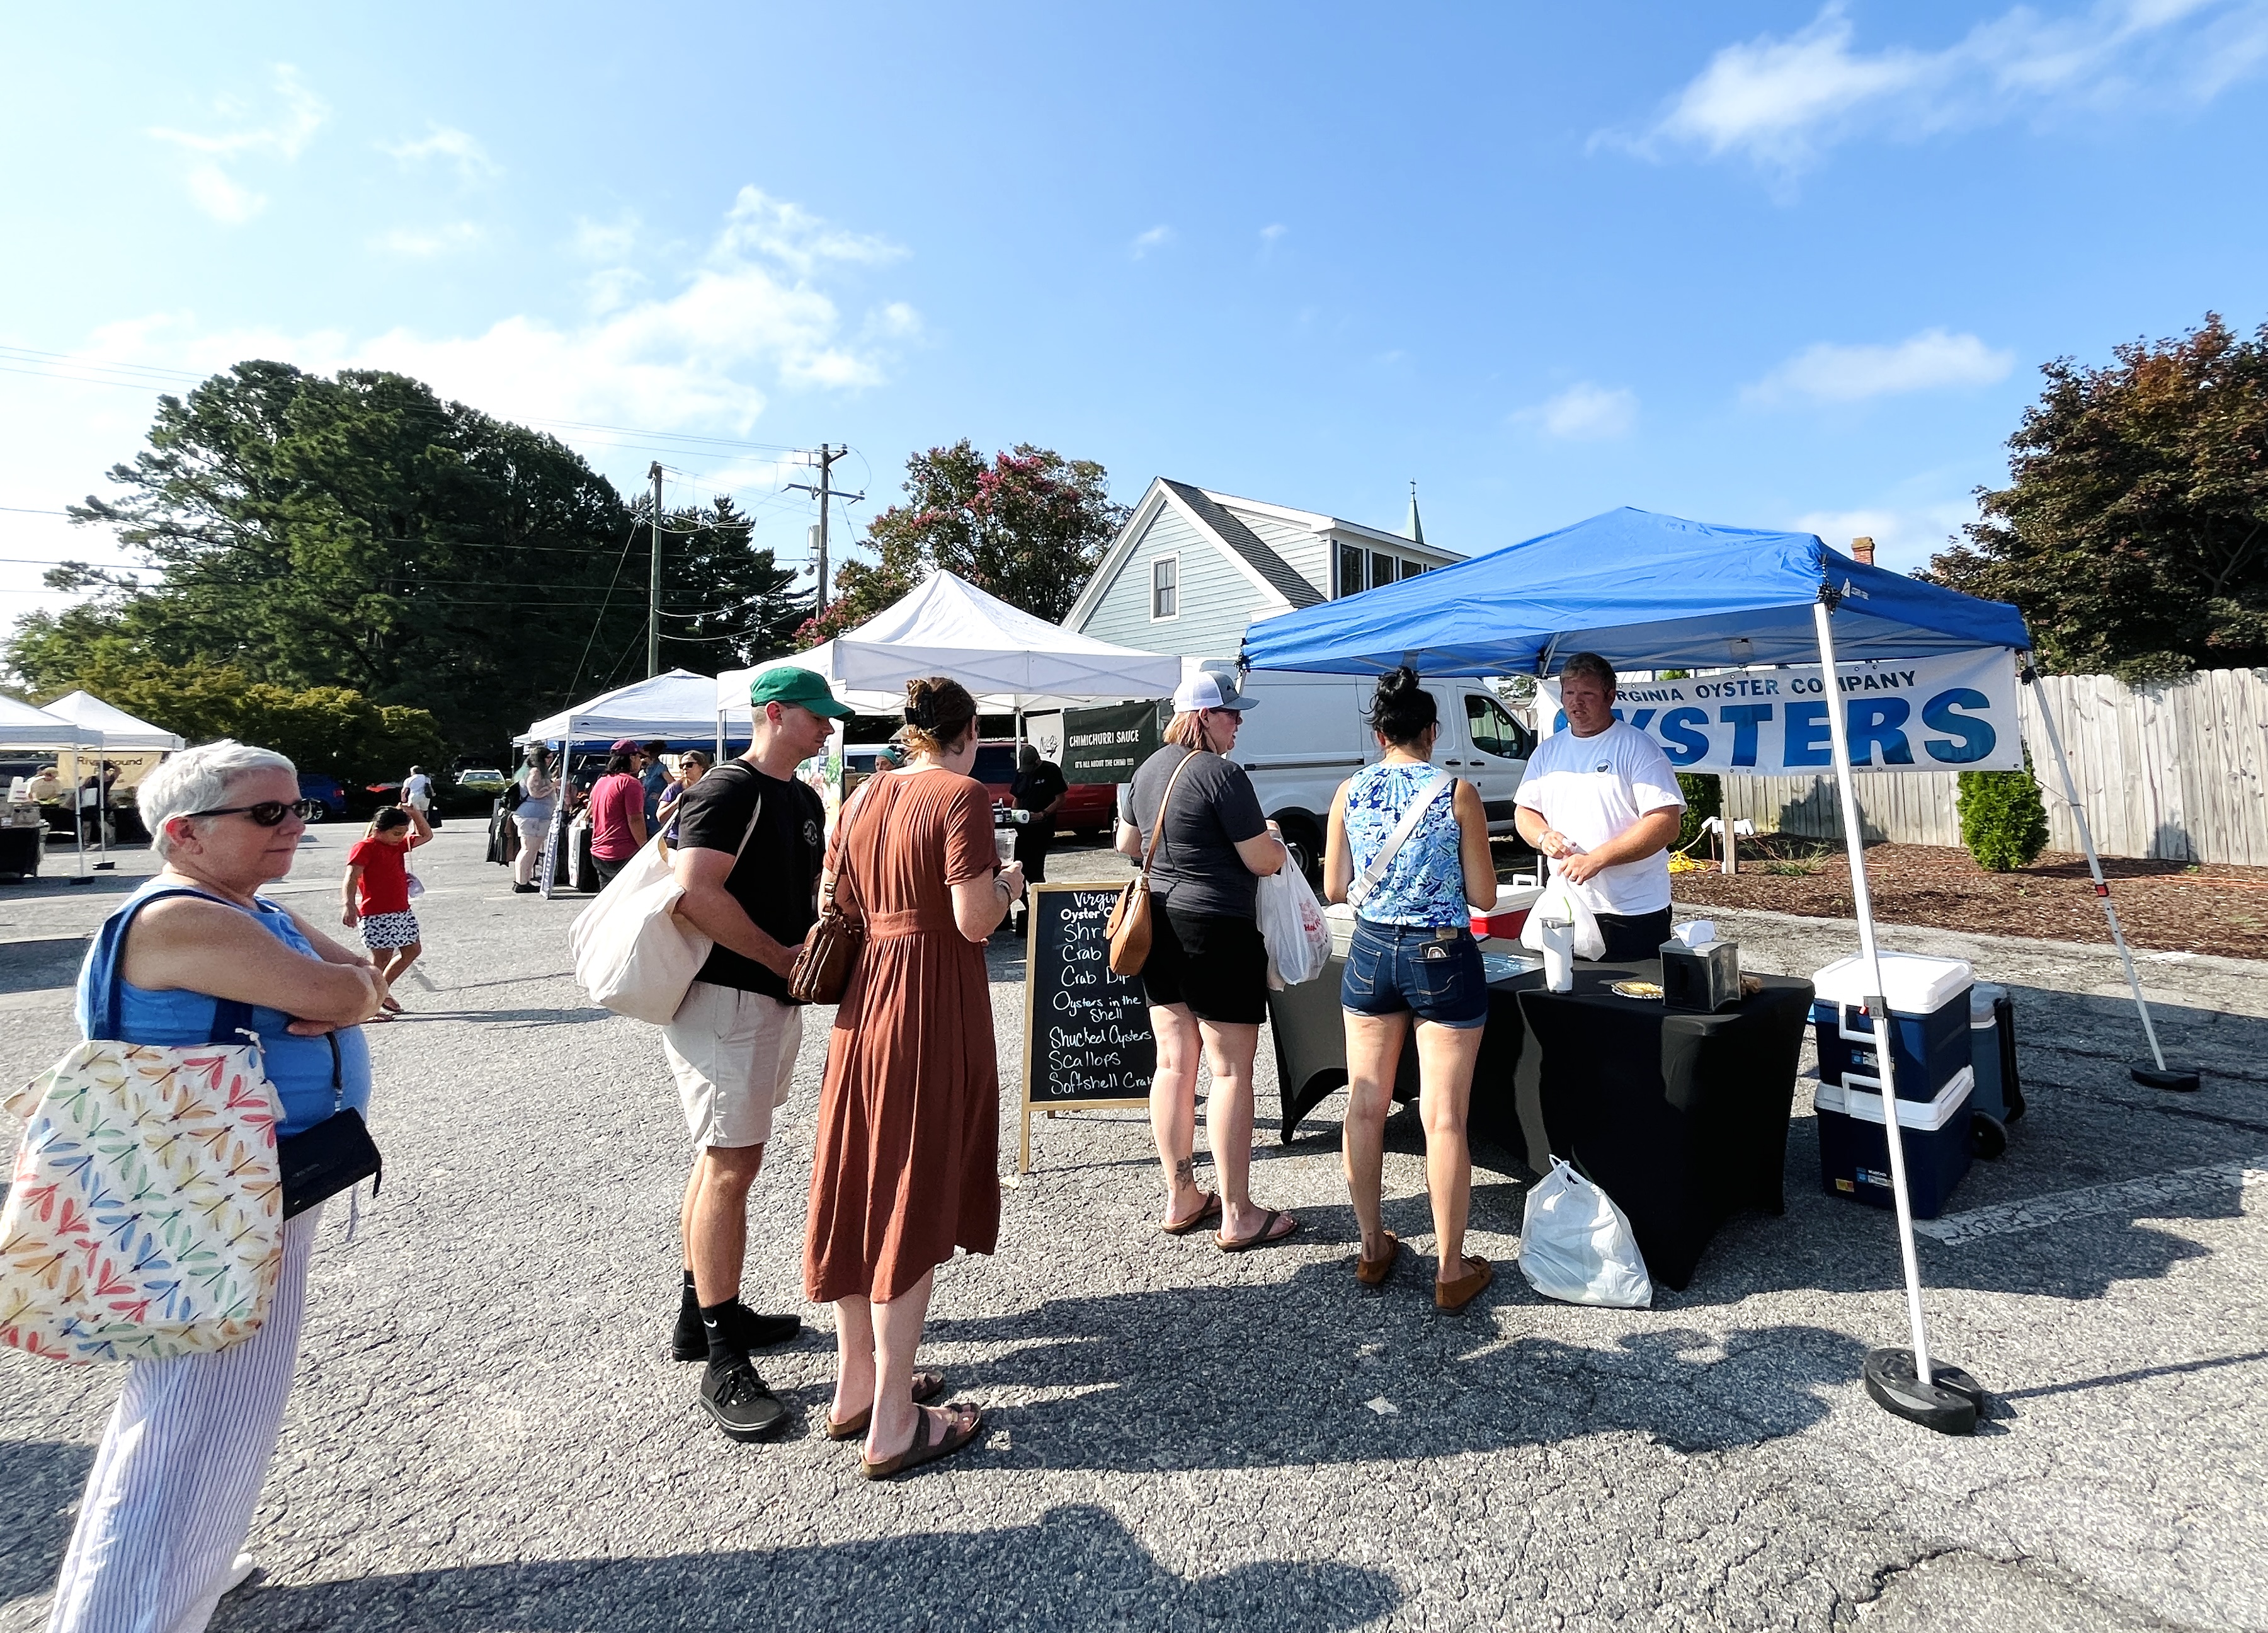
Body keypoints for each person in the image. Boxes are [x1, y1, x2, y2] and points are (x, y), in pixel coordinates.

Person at [42, 740, 387, 1633]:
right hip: (210, 1193)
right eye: (268, 814)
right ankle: (125, 1612)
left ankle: (184, 1567)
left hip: (249, 1182)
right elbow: (346, 989)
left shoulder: (242, 907)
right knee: (192, 1414)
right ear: (184, 833)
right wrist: (335, 995)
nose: (296, 826)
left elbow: (364, 980)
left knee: (217, 1402)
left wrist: (342, 990)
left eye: (298, 807)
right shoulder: (180, 919)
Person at [806, 675, 1022, 1479]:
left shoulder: (860, 798)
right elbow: (973, 918)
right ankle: (894, 1420)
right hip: (930, 998)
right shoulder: (961, 796)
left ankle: (857, 1384)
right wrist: (1010, 884)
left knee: (862, 1179)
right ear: (966, 732)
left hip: (864, 1004)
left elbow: (841, 904)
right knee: (912, 1187)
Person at [665, 668, 852, 1441]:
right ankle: (721, 1352)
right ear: (775, 714)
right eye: (818, 719)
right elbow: (694, 891)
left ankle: (701, 1311)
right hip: (727, 997)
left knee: (724, 1160)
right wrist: (780, 958)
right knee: (731, 1163)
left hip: (768, 1000)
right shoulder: (727, 790)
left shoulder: (801, 797)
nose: (828, 732)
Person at [1324, 667, 1500, 1312]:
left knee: (1365, 1106)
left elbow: (1335, 888)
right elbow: (1483, 896)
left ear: (1379, 734)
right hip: (1442, 954)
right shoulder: (1457, 792)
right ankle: (1451, 1270)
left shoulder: (1350, 790)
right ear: (1432, 731)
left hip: (1372, 950)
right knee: (1444, 1117)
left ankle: (1372, 1247)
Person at [1116, 670, 1296, 1251]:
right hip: (1216, 927)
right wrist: (1271, 837)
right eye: (1230, 713)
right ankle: (1238, 1212)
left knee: (1172, 1065)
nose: (1239, 721)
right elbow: (1263, 861)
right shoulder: (1222, 775)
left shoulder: (1145, 771)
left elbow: (1127, 845)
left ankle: (1181, 1194)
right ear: (1202, 717)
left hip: (1158, 926)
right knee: (1228, 1070)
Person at [1513, 651, 1687, 961]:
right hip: (1567, 904)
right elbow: (1525, 812)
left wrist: (1599, 859)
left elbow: (1665, 823)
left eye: (1587, 694)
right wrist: (1543, 836)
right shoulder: (1548, 751)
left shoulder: (1638, 748)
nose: (1576, 703)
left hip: (1631, 908)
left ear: (1610, 696)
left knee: (1634, 998)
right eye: (1569, 693)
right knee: (1567, 993)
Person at [343, 803, 433, 1002]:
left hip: (401, 910)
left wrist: (415, 814)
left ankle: (380, 993)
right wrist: (349, 904)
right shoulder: (365, 847)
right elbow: (351, 877)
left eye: (403, 833)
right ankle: (368, 1002)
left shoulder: (398, 845)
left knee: (412, 951)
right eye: (396, 833)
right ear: (378, 830)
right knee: (381, 958)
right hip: (376, 912)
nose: (401, 837)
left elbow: (426, 835)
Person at [1008, 744, 1067, 929]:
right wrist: (1015, 814)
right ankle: (1028, 906)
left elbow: (1061, 798)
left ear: (1037, 761)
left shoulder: (1050, 770)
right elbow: (1016, 798)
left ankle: (1043, 907)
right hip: (1022, 828)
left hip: (1041, 828)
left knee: (1035, 871)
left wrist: (1043, 814)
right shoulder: (1022, 773)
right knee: (1018, 868)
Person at [586, 745, 648, 888]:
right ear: (632, 758)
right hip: (623, 851)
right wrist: (644, 846)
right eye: (640, 757)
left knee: (606, 902)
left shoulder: (601, 782)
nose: (641, 761)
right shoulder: (631, 783)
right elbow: (635, 818)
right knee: (629, 900)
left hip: (599, 850)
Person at [511, 748, 557, 893]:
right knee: (528, 849)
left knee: (530, 849)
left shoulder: (527, 770)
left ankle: (523, 880)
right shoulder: (536, 771)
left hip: (533, 816)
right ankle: (521, 882)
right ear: (541, 758)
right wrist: (553, 785)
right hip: (533, 816)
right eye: (548, 757)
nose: (550, 760)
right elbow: (535, 793)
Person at [657, 748, 710, 845]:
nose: (685, 768)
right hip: (677, 839)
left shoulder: (710, 787)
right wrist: (676, 803)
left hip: (703, 838)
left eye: (689, 765)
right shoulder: (675, 788)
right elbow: (660, 817)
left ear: (702, 767)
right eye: (682, 766)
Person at [640, 740, 672, 825]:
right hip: (645, 807)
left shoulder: (661, 768)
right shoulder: (645, 770)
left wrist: (662, 796)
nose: (641, 758)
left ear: (652, 756)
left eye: (643, 756)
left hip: (655, 807)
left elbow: (673, 784)